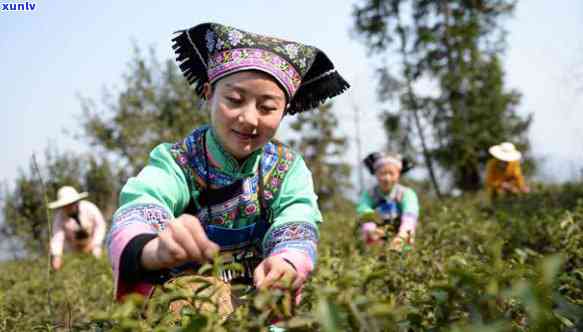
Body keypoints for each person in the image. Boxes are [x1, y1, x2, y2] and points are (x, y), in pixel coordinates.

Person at [106, 22, 349, 322]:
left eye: (267, 107)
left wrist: (287, 261)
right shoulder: (179, 162)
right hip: (189, 307)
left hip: (261, 301)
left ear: (284, 111)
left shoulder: (288, 169)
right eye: (234, 100)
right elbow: (144, 202)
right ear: (209, 93)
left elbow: (296, 218)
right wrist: (152, 249)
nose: (248, 119)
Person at [356, 152, 419, 251]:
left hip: (401, 234)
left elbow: (410, 217)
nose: (387, 178)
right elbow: (364, 211)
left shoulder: (407, 194)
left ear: (398, 174)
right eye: (383, 173)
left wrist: (401, 236)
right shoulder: (369, 194)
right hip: (376, 237)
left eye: (391, 173)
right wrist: (371, 230)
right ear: (376, 173)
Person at [49, 186, 107, 270]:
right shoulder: (59, 218)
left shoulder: (90, 208)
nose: (68, 207)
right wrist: (57, 256)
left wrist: (94, 243)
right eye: (65, 205)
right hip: (73, 248)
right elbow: (58, 238)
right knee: (76, 266)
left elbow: (100, 226)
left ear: (76, 201)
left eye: (70, 203)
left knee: (96, 258)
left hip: (93, 242)